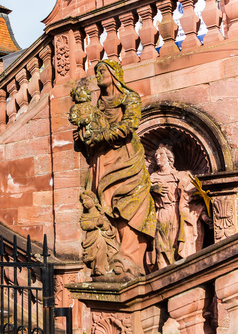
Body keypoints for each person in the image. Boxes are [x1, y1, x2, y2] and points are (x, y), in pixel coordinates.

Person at [80, 60, 156, 279]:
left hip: (125, 158)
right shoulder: (97, 105)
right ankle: (111, 254)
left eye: (102, 71)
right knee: (105, 206)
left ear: (114, 73)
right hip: (101, 160)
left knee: (126, 203)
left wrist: (100, 136)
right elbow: (88, 137)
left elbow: (129, 126)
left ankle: (130, 257)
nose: (98, 75)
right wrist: (84, 137)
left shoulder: (129, 98)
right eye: (96, 72)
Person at [150, 145, 210, 268]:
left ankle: (178, 271)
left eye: (161, 154)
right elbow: (142, 197)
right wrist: (152, 189)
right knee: (160, 247)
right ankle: (163, 274)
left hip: (177, 213)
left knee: (177, 244)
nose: (157, 157)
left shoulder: (181, 176)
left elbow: (194, 200)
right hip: (160, 213)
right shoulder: (152, 178)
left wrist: (204, 216)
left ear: (169, 158)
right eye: (156, 155)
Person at [79, 191, 120, 277]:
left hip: (103, 237)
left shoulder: (101, 214)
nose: (84, 202)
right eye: (82, 201)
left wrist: (104, 225)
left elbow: (108, 227)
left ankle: (100, 267)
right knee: (96, 250)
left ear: (93, 200)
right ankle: (97, 268)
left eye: (86, 199)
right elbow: (84, 225)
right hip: (92, 238)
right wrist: (95, 224)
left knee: (104, 248)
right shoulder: (85, 216)